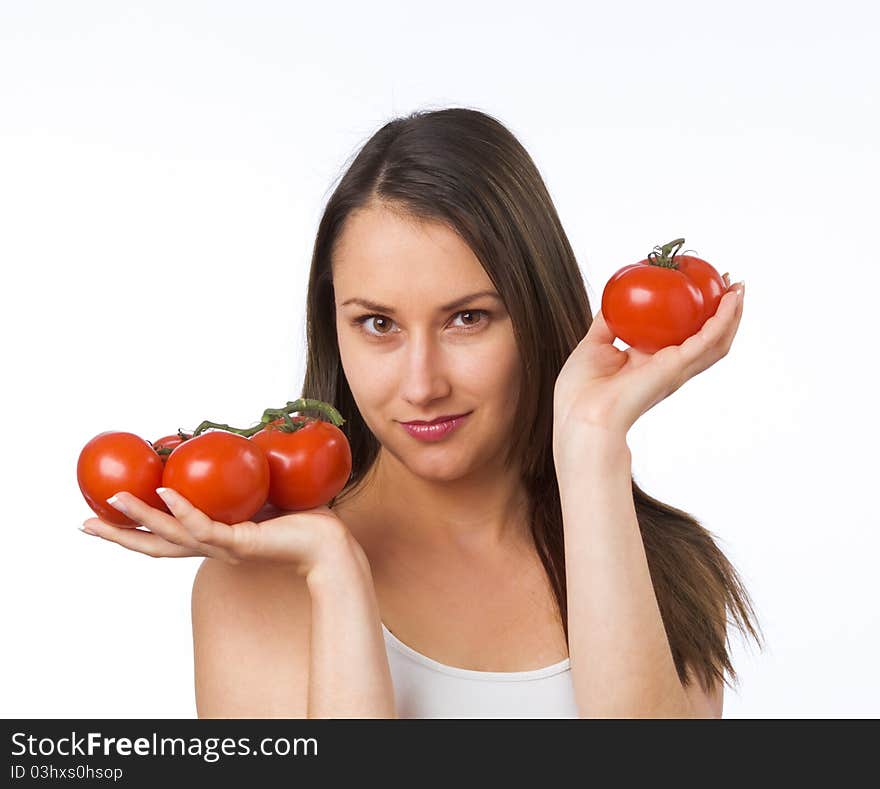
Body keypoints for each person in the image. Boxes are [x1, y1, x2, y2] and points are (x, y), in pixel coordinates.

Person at [81, 107, 764, 718]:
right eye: (378, 323)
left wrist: (588, 448)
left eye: (467, 318)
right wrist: (336, 572)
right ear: (335, 324)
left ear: (533, 309)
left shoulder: (664, 564)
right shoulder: (256, 584)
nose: (421, 383)